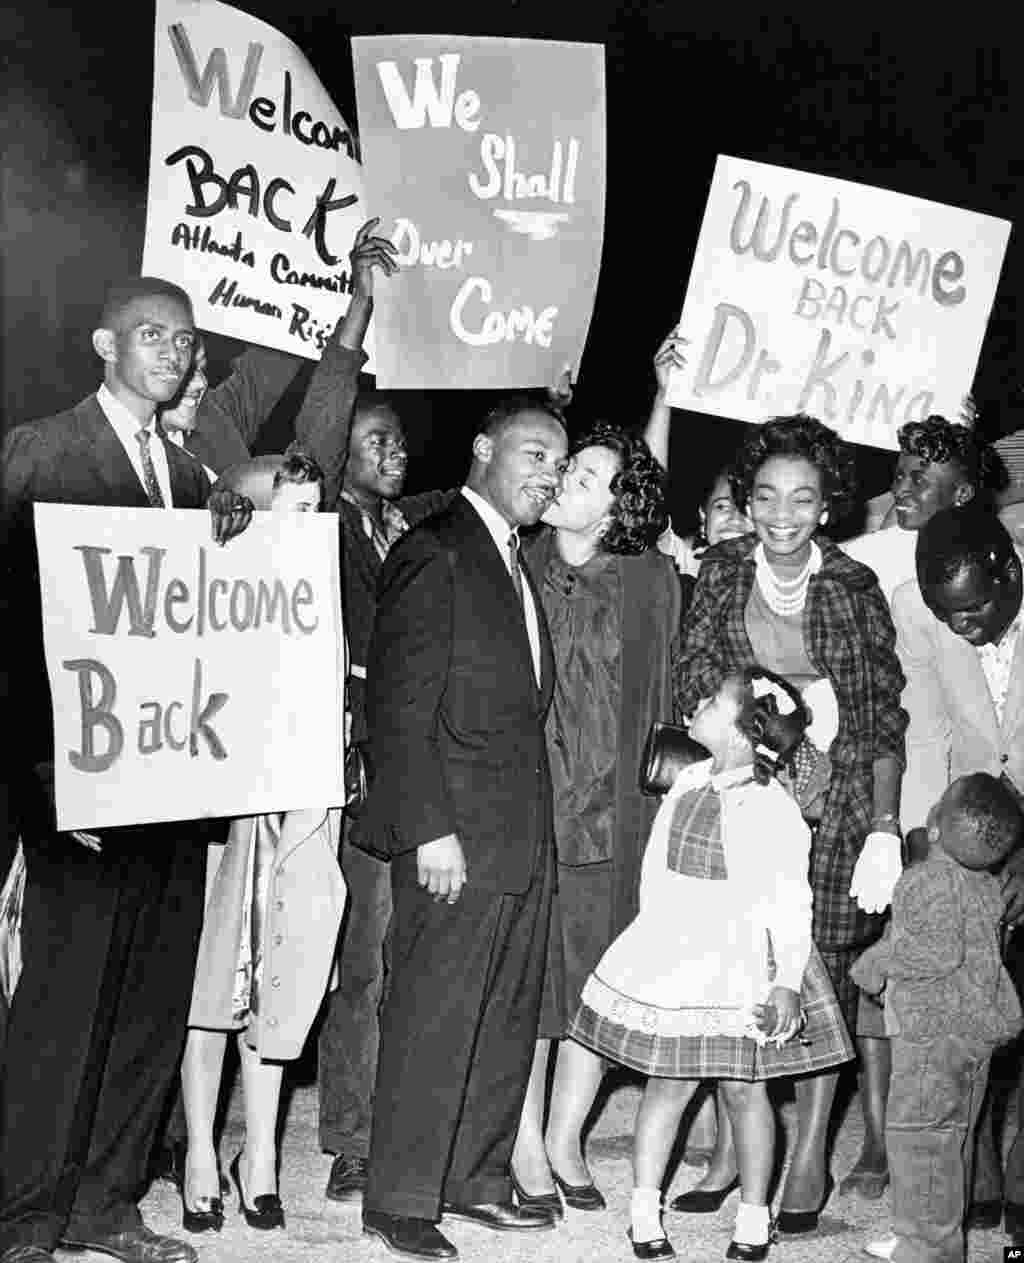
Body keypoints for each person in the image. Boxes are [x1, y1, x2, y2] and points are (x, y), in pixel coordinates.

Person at [0, 277, 251, 1263]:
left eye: (186, 342)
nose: (173, 353)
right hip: (80, 795)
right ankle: (26, 1215)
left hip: (171, 791)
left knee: (149, 1009)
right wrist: (46, 789)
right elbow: (12, 636)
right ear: (106, 341)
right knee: (64, 1012)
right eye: (153, 334)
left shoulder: (188, 480)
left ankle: (108, 1205)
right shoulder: (43, 451)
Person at [146, 215, 397, 1195]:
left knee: (289, 956)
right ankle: (191, 1146)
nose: (193, 385)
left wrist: (349, 310)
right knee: (206, 965)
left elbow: (311, 438)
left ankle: (256, 1154)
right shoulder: (142, 494)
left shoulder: (272, 496)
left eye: (204, 373)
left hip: (296, 764)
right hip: (191, 763)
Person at [673, 414, 907, 1233]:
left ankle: (808, 1151)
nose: (781, 513)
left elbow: (882, 716)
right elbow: (693, 673)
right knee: (743, 963)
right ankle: (738, 1146)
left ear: (828, 504)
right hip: (748, 791)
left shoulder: (851, 584)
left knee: (822, 975)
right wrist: (769, 708)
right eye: (766, 494)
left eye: (802, 497)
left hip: (834, 800)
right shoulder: (724, 566)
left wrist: (883, 825)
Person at [359, 399, 568, 1262]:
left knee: (503, 1011)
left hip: (518, 833)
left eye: (558, 465)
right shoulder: (435, 547)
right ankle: (400, 1196)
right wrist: (428, 830)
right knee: (433, 1009)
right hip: (454, 834)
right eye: (534, 453)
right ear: (483, 449)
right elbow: (397, 708)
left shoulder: (515, 560)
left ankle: (474, 1176)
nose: (547, 475)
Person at [568, 669, 853, 1260]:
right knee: (666, 1085)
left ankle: (754, 1215)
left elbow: (789, 901)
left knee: (745, 1092)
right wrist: (651, 941)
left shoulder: (773, 806)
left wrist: (785, 982)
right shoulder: (687, 779)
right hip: (675, 954)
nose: (696, 702)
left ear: (744, 733)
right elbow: (656, 870)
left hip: (738, 962)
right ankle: (645, 1208)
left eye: (712, 701)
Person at [508, 420, 677, 1217]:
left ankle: (569, 1134)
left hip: (614, 820)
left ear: (617, 507)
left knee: (595, 989)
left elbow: (665, 700)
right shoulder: (515, 559)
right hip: (528, 808)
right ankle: (524, 1137)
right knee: (530, 982)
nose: (565, 476)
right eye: (568, 464)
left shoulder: (649, 581)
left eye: (586, 473)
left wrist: (667, 399)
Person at [178, 453, 347, 1234]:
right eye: (290, 508)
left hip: (295, 810)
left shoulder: (321, 593)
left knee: (281, 979)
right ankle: (202, 1155)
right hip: (220, 816)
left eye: (316, 508)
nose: (305, 524)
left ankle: (264, 1157)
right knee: (213, 985)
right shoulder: (211, 577)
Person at [892, 506, 1024, 1237]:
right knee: (962, 1006)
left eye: (973, 609)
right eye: (948, 614)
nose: (961, 626)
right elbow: (925, 727)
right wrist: (924, 842)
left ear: (1009, 570)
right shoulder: (922, 608)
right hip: (968, 808)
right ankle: (970, 1173)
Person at [852, 774, 1024, 1263]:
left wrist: (877, 963)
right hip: (975, 1035)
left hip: (932, 1037)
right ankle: (939, 1234)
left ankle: (926, 1246)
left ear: (933, 826)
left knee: (920, 1140)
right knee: (955, 1139)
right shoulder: (987, 884)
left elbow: (934, 951)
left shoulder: (926, 878)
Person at [157, 217, 397, 508]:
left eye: (201, 368)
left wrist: (359, 295)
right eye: (182, 369)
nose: (200, 383)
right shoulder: (105, 449)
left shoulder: (213, 417)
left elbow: (322, 401)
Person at [843, 414, 1005, 602]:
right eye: (899, 477)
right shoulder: (864, 556)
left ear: (963, 494)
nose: (898, 490)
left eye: (919, 481)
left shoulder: (993, 563)